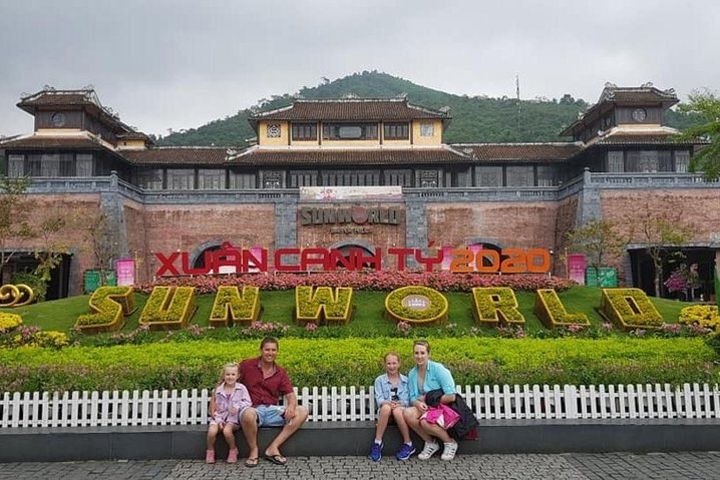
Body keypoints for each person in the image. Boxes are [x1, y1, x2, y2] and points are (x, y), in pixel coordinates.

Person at [238, 337, 309, 468]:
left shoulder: (280, 372)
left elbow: (291, 395)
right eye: (267, 350)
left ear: (277, 352)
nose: (270, 353)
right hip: (251, 409)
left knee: (302, 411)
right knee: (248, 414)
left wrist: (292, 407)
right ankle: (254, 451)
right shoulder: (246, 365)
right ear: (261, 350)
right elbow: (227, 381)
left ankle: (273, 448)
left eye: (273, 350)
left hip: (271, 410)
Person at [403, 340, 459, 461]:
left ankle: (449, 442)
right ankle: (430, 443)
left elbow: (451, 396)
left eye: (422, 353)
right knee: (407, 413)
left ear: (429, 354)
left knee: (425, 422)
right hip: (425, 407)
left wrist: (429, 400)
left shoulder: (439, 369)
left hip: (442, 406)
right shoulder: (412, 373)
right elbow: (412, 397)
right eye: (416, 353)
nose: (419, 356)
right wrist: (417, 403)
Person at [369, 352, 415, 462]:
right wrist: (387, 403)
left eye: (394, 363)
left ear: (399, 364)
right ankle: (378, 443)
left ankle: (408, 443)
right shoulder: (379, 380)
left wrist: (400, 404)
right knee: (386, 408)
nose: (392, 366)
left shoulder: (406, 380)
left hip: (400, 412)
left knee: (398, 411)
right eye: (389, 363)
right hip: (386, 414)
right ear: (385, 365)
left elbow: (408, 400)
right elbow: (379, 399)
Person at [205, 363, 252, 464]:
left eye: (233, 374)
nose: (230, 377)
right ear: (223, 376)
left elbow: (248, 402)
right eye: (228, 374)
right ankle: (210, 451)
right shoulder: (218, 390)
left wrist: (237, 406)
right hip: (219, 417)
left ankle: (233, 449)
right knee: (211, 432)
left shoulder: (241, 388)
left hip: (233, 419)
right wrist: (219, 421)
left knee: (227, 431)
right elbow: (213, 410)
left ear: (237, 376)